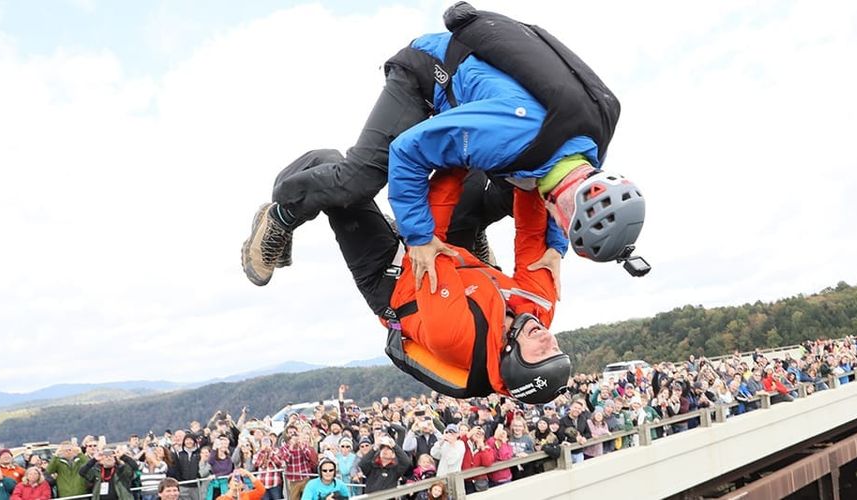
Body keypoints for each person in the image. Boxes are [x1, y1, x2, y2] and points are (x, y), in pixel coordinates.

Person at [241, 2, 646, 287]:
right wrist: (417, 237)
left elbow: (558, 198)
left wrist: (555, 248)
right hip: (427, 73)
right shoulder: (513, 135)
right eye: (563, 223)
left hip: (487, 114)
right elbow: (408, 152)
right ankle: (281, 211)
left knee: (522, 187)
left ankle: (469, 230)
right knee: (359, 181)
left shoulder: (592, 141)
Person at [323, 168, 572, 405]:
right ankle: (473, 236)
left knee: (333, 178)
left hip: (391, 281)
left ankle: (284, 216)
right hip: (459, 267)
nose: (548, 337)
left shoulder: (455, 337)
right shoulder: (539, 308)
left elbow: (428, 238)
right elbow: (532, 232)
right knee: (473, 178)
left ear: (513, 361)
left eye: (542, 353)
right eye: (555, 348)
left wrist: (454, 158)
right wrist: (531, 181)